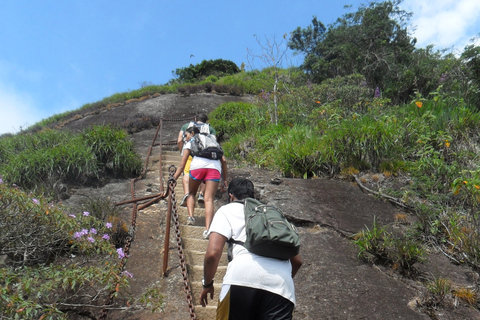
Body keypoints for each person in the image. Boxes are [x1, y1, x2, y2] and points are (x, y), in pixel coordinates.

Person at [199, 178, 302, 320]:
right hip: (281, 289)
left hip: (241, 279)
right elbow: (297, 262)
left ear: (231, 196)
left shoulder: (227, 210)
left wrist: (208, 283)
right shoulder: (272, 214)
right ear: (253, 195)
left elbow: (212, 253)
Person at [173, 126, 227, 238]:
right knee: (209, 199)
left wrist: (173, 178)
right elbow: (224, 161)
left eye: (186, 135)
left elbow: (182, 165)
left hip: (197, 166)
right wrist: (224, 180)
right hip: (214, 167)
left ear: (192, 133)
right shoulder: (212, 141)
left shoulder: (192, 141)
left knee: (191, 193)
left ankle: (191, 217)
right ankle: (208, 229)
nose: (186, 138)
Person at [177, 112, 217, 206]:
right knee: (203, 176)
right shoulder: (210, 129)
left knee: (186, 173)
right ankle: (201, 194)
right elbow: (214, 142)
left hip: (189, 152)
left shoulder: (186, 126)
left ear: (195, 119)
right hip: (204, 155)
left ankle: (187, 194)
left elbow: (179, 140)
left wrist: (182, 153)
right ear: (206, 120)